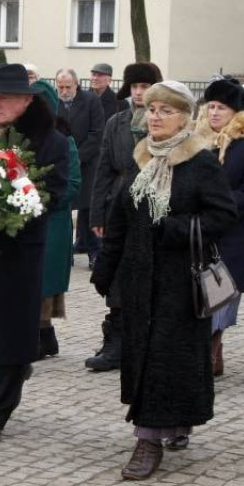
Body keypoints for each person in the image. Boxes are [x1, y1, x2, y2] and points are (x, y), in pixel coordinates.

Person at [92, 81, 236, 480]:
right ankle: (172, 423)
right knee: (146, 356)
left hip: (180, 282)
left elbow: (224, 215)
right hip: (139, 279)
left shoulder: (200, 161)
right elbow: (121, 219)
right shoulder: (142, 159)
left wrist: (174, 229)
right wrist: (106, 270)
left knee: (167, 357)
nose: (154, 117)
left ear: (185, 118)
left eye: (164, 111)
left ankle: (148, 440)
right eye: (151, 109)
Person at [0, 64, 71, 445]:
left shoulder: (49, 141)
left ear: (26, 101)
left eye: (5, 97)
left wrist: (15, 198)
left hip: (19, 251)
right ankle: (17, 364)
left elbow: (57, 191)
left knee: (9, 332)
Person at [86, 62, 162, 371]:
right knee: (115, 272)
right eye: (135, 87)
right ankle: (115, 341)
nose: (140, 93)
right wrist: (97, 213)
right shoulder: (115, 122)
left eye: (145, 87)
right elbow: (103, 168)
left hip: (154, 204)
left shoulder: (165, 122)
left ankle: (148, 342)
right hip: (118, 203)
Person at [194, 79, 244, 376]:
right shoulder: (195, 140)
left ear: (235, 111)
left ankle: (211, 349)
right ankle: (206, 351)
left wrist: (216, 208)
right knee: (196, 292)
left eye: (221, 107)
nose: (213, 113)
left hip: (232, 232)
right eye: (210, 106)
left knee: (222, 292)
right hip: (196, 230)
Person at [37, 83, 82, 358]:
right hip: (25, 219)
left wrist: (43, 200)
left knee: (45, 280)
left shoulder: (64, 139)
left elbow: (73, 183)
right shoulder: (18, 137)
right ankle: (42, 334)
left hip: (52, 219)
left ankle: (43, 333)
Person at [54, 69, 104, 267]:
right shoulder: (53, 103)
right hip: (60, 163)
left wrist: (76, 157)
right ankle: (66, 253)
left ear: (76, 84)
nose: (64, 91)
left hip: (87, 163)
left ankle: (94, 252)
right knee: (63, 208)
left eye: (68, 86)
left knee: (87, 209)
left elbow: (97, 133)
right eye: (61, 87)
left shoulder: (91, 101)